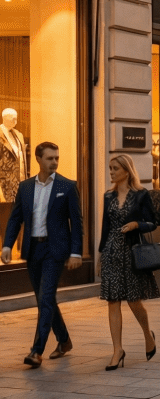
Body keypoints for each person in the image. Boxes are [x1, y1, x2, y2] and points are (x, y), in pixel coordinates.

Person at [1, 141, 83, 368]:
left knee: (45, 297)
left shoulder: (67, 186)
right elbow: (16, 218)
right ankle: (64, 340)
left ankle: (36, 351)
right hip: (33, 249)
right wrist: (8, 245)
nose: (55, 162)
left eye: (57, 157)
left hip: (55, 250)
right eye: (50, 158)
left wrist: (76, 252)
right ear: (38, 159)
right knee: (44, 298)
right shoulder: (25, 187)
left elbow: (76, 222)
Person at [99, 154, 159, 370]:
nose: (111, 172)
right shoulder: (108, 196)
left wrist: (136, 224)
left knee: (134, 301)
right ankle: (117, 350)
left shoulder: (141, 195)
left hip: (132, 253)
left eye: (115, 168)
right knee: (113, 301)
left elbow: (152, 222)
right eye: (110, 168)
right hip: (112, 252)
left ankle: (147, 335)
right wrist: (100, 254)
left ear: (126, 170)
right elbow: (105, 227)